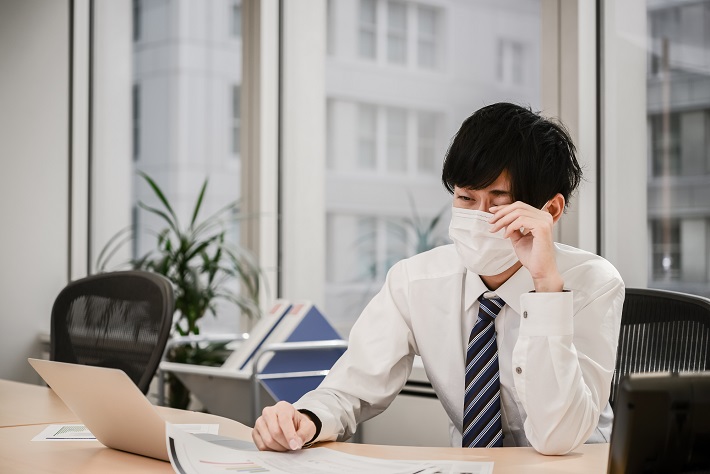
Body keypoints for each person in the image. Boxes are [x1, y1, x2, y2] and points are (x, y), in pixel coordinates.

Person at [251, 102, 625, 455]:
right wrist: (306, 420)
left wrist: (546, 289)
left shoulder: (593, 283)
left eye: (498, 200)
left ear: (551, 209)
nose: (479, 215)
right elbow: (353, 387)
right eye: (465, 197)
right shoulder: (415, 281)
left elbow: (559, 437)